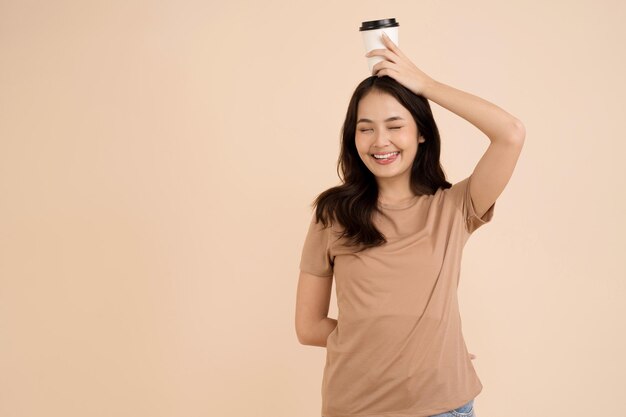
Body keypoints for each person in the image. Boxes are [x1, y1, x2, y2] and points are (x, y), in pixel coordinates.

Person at [295, 32, 525, 417]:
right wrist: (400, 346)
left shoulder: (455, 206)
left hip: (444, 406)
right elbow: (309, 326)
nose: (380, 140)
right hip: (355, 407)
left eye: (394, 125)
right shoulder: (332, 214)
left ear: (420, 132)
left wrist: (426, 85)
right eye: (365, 128)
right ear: (353, 139)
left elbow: (510, 133)